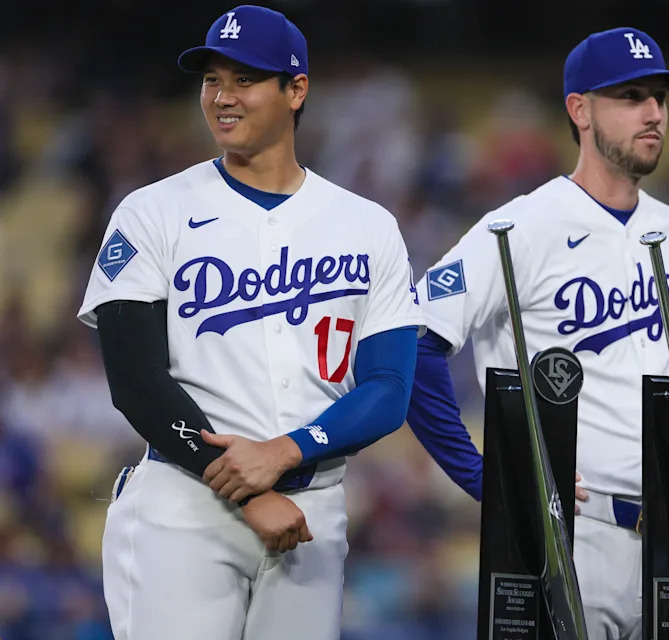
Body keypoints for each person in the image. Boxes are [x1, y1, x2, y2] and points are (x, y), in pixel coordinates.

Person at [76, 6, 422, 639]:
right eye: (212, 79)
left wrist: (291, 451)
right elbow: (133, 377)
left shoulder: (367, 225)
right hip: (185, 503)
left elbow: (388, 390)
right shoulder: (152, 212)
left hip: (314, 506)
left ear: (297, 90)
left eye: (245, 79)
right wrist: (249, 489)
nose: (223, 97)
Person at [406, 27, 669, 639]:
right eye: (631, 96)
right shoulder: (519, 228)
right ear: (580, 109)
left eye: (660, 97)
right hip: (569, 531)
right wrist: (490, 482)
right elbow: (412, 346)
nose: (653, 113)